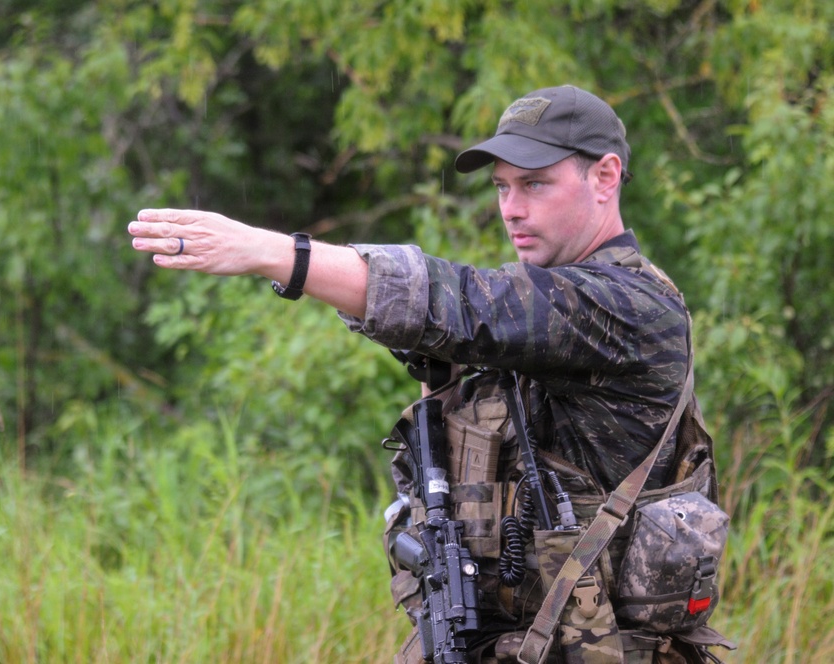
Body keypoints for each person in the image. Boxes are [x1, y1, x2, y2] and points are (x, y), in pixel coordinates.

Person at [128, 85, 731, 663]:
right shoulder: (543, 312)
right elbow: (451, 322)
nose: (512, 209)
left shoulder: (628, 307)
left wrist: (280, 254)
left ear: (604, 177)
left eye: (535, 184)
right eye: (501, 188)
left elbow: (468, 303)